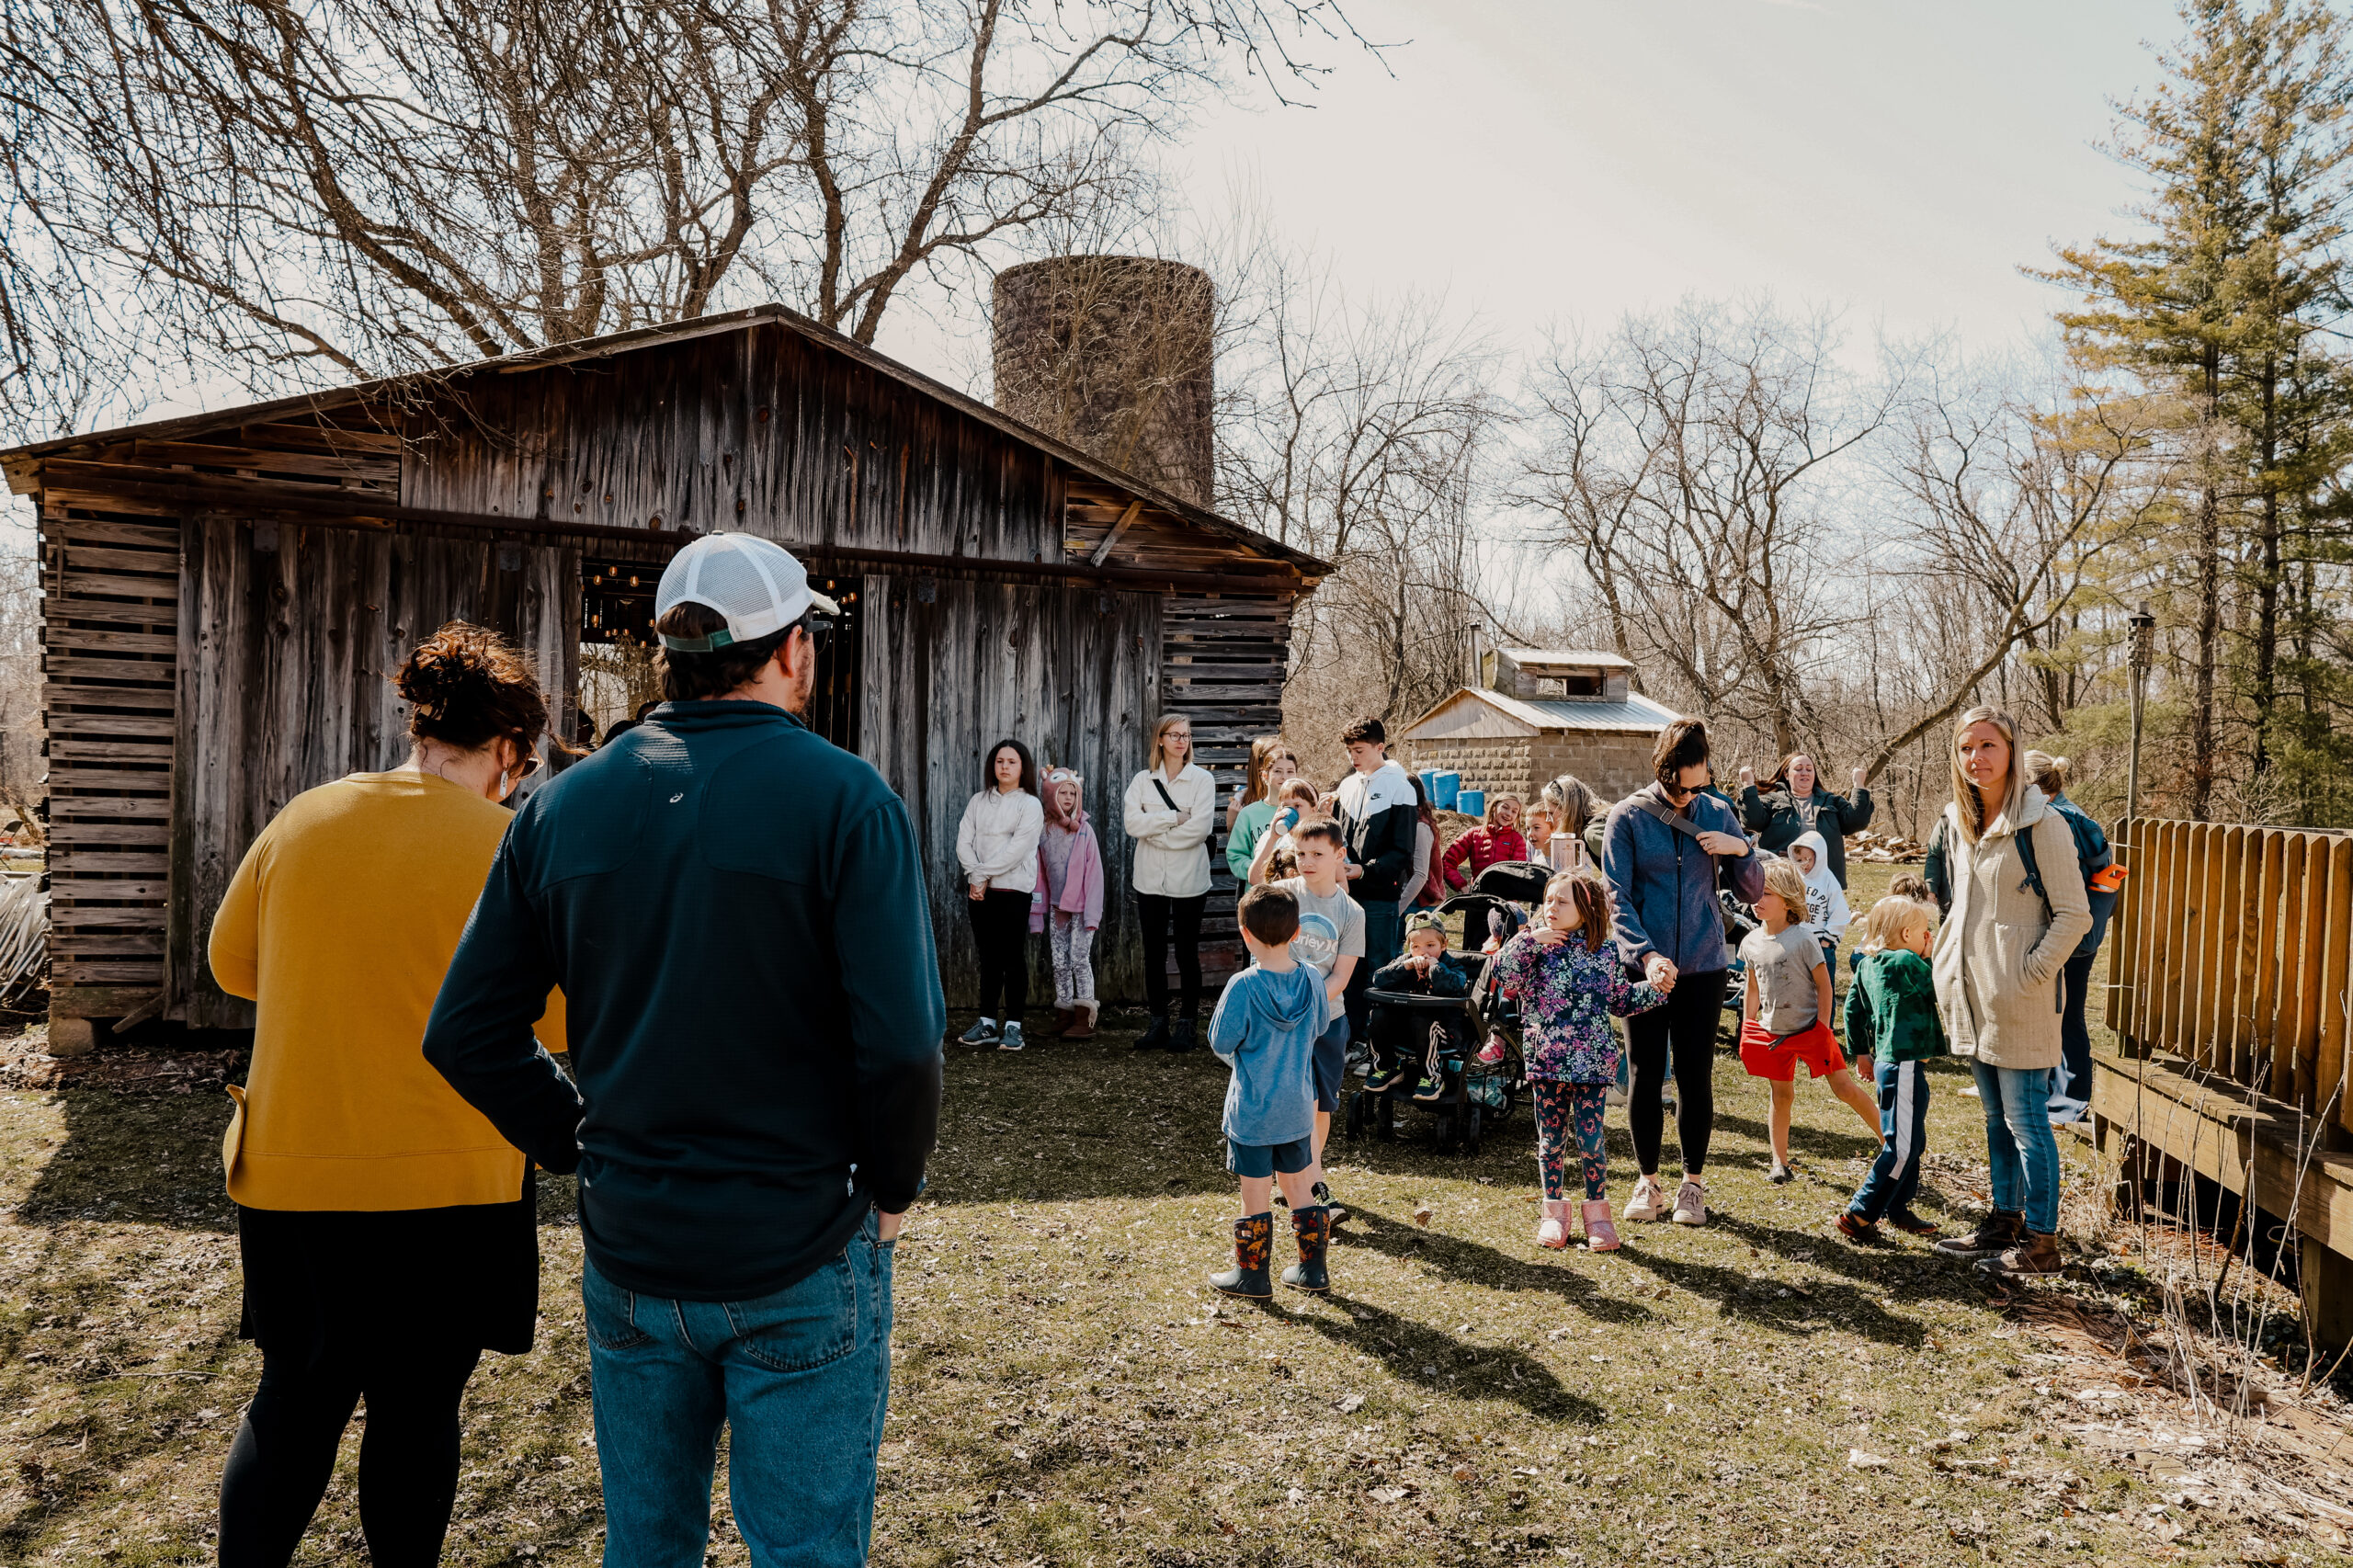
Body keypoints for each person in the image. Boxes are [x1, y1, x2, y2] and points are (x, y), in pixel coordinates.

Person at [420, 532, 945, 1568]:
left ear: (671, 655)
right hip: (800, 1240)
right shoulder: (846, 799)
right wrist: (892, 1181)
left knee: (647, 1547)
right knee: (803, 1550)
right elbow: (901, 1041)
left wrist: (578, 1139)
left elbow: (466, 1030)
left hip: (634, 1248)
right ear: (793, 651)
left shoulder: (560, 806)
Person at [207, 623, 567, 1568]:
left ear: (420, 729)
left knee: (292, 1402)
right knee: (417, 1411)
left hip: (295, 1170)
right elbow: (563, 1022)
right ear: (504, 752)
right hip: (454, 1182)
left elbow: (231, 963)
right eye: (518, 770)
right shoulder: (516, 843)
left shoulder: (306, 817)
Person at [1926, 707, 2091, 1278]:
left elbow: (2074, 915)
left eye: (1988, 746)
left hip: (2020, 998)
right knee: (1996, 1118)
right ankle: (2003, 1223)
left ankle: (2043, 1244)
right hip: (1974, 996)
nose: (1977, 758)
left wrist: (2031, 973)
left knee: (2027, 1119)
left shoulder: (2042, 824)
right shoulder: (1960, 821)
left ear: (2012, 750)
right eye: (1967, 747)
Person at [1600, 717, 1766, 1228]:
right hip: (1643, 971)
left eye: (1698, 785)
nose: (1687, 797)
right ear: (1663, 769)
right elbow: (1615, 897)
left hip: (1704, 965)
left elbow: (1753, 891)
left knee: (1696, 1074)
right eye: (1680, 786)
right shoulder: (1627, 817)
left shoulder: (1717, 811)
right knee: (1645, 1074)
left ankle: (1692, 1185)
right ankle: (1647, 1182)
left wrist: (1739, 848)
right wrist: (1646, 956)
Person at [1489, 871, 1669, 1253]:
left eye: (1562, 902)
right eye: (1548, 900)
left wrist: (1656, 989)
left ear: (1585, 910)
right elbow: (1503, 976)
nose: (1551, 908)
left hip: (1592, 1064)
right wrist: (1526, 940)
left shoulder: (1604, 951)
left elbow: (1619, 1001)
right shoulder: (1533, 947)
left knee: (1592, 1140)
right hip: (1547, 1062)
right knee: (1551, 1141)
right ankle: (1554, 1215)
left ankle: (1598, 1216)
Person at [1208, 885, 1338, 1298]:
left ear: (1244, 933)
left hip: (1253, 1112)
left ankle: (1251, 1275)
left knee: (1255, 1191)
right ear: (1297, 931)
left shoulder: (1243, 986)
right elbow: (1319, 1027)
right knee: (1299, 1186)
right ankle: (1312, 1270)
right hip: (1298, 1107)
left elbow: (1220, 1041)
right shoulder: (1313, 980)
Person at [1738, 858, 1881, 1183]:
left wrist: (1823, 1027)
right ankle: (1779, 1161)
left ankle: (1889, 1142)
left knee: (1844, 1088)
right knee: (1781, 1096)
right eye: (1756, 892)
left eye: (1767, 893)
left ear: (1789, 900)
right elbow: (1752, 988)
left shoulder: (1804, 939)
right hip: (1773, 1033)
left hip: (1810, 1031)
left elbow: (1824, 986)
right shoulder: (1750, 942)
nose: (1758, 899)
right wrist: (1748, 1027)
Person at [1248, 815, 1362, 1221]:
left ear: (1339, 856)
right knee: (1296, 1097)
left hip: (1326, 1019)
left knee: (1321, 1105)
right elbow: (1259, 953)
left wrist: (1304, 1005)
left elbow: (1342, 975)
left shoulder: (1351, 911)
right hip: (1279, 1021)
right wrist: (1281, 1008)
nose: (1307, 861)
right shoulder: (1278, 895)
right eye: (1300, 853)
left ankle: (1301, 1176)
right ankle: (1312, 1187)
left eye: (1317, 853)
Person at [1837, 894, 1948, 1244]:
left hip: (1890, 1062)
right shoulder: (1906, 959)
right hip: (1904, 1063)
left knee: (1913, 1140)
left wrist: (1861, 1054)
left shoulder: (1867, 964)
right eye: (1924, 933)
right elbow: (1938, 988)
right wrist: (1930, 957)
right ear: (1905, 934)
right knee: (1901, 1146)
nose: (1926, 938)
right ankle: (1860, 1211)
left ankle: (1897, 1207)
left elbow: (1852, 1011)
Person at [2023, 750, 2117, 1122]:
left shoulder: (2069, 819)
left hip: (2073, 935)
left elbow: (2104, 880)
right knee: (2046, 1012)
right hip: (2054, 931)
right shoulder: (2048, 813)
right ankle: (2045, 1093)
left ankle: (2073, 1100)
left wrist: (2082, 934)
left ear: (2033, 785)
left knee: (2068, 1013)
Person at [1124, 715, 1217, 1051]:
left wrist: (1157, 834)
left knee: (1187, 951)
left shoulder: (1202, 780)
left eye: (1186, 735)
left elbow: (1201, 828)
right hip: (1149, 880)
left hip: (1189, 879)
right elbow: (1133, 824)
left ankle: (1188, 1023)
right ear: (1160, 739)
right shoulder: (1142, 781)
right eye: (1175, 734)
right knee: (1154, 951)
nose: (1182, 740)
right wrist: (1172, 819)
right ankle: (1158, 1022)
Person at [1333, 717, 1418, 1051]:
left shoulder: (1401, 786)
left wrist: (1365, 871)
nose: (1353, 757)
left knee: (1378, 968)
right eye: (1349, 751)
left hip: (1380, 897)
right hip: (1345, 894)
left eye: (1359, 750)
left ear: (1380, 747)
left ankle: (1379, 1044)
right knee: (1346, 965)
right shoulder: (1347, 785)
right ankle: (1350, 1036)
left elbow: (1402, 851)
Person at [955, 739, 1044, 1051]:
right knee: (988, 957)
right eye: (1000, 761)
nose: (1005, 767)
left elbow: (1018, 849)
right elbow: (964, 841)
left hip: (1013, 890)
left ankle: (1014, 1026)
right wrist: (976, 875)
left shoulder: (1030, 804)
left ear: (1023, 767)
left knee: (1012, 957)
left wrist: (980, 874)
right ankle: (987, 1023)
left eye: (1012, 762)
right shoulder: (979, 801)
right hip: (980, 893)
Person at [1367, 910, 1472, 1103]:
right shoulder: (1405, 961)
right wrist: (1404, 966)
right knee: (1378, 1015)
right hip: (1406, 1028)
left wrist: (1435, 968)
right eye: (1416, 947)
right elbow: (1379, 979)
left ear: (1444, 944)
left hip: (1443, 1029)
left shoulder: (1453, 967)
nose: (1423, 952)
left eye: (1431, 945)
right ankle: (1387, 1066)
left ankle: (1432, 1077)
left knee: (1424, 1021)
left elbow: (1455, 987)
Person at [1030, 767, 1105, 1040]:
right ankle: (1064, 1015)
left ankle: (1085, 1018)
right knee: (1059, 961)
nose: (1069, 797)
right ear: (1050, 794)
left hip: (1083, 908)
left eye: (1073, 792)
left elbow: (1095, 875)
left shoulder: (1084, 831)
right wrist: (1038, 911)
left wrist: (1092, 915)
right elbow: (1039, 874)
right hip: (1057, 907)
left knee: (1079, 959)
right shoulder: (1043, 831)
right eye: (1063, 792)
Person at [1737, 753, 1874, 887]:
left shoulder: (1832, 801)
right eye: (1798, 769)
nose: (1805, 772)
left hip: (1824, 880)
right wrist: (1748, 785)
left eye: (1809, 769)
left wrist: (1859, 785)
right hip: (1782, 877)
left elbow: (1857, 822)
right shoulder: (1772, 800)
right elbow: (1752, 821)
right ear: (1786, 774)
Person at [1441, 793, 1530, 951]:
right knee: (1474, 951)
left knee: (1499, 951)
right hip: (1477, 904)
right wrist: (1463, 888)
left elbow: (1518, 876)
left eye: (1514, 811)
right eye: (1505, 807)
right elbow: (1447, 862)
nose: (1509, 814)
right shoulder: (1474, 834)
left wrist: (1510, 902)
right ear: (1494, 806)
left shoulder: (1517, 840)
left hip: (1502, 907)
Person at [1226, 742, 1301, 881]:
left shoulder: (1303, 810)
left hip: (1295, 891)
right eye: (1278, 771)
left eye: (1290, 771)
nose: (1284, 777)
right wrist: (1264, 870)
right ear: (1265, 776)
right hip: (1259, 891)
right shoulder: (1248, 814)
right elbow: (1236, 856)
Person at [1788, 830, 1852, 964]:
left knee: (1823, 984)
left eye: (1808, 859)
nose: (1804, 864)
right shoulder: (1794, 879)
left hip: (1820, 943)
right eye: (1799, 860)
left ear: (1819, 856)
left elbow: (1840, 913)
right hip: (1795, 941)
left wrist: (1826, 942)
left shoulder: (1828, 880)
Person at [1399, 772, 1443, 915]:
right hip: (1407, 899)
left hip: (1416, 903)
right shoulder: (1405, 821)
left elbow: (1420, 875)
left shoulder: (1420, 827)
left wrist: (1397, 909)